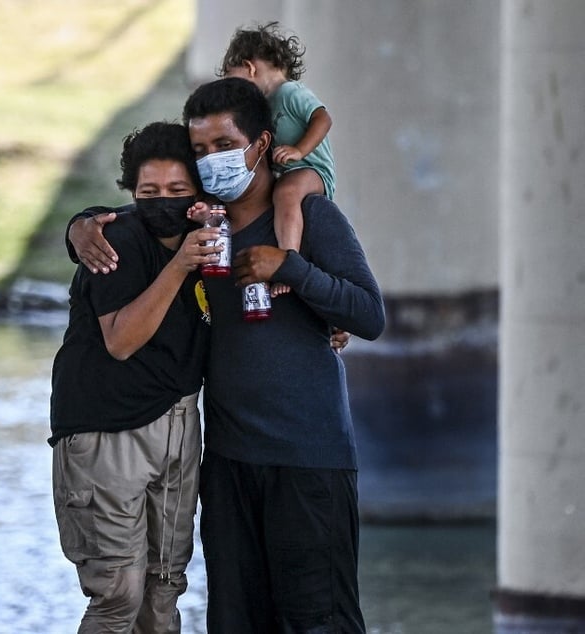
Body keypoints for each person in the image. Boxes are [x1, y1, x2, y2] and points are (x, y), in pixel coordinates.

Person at [182, 76, 384, 632]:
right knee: (234, 621)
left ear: (263, 144)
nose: (212, 160)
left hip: (309, 462)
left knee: (319, 622)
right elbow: (135, 207)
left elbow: (369, 315)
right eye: (200, 151)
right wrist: (80, 229)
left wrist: (290, 267)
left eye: (225, 146)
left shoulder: (311, 217)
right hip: (227, 467)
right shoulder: (197, 229)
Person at [49, 121, 221, 633]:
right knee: (117, 593)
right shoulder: (114, 240)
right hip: (107, 428)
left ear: (198, 192)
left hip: (177, 422)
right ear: (131, 192)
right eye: (149, 192)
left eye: (176, 190)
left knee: (164, 590)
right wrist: (177, 268)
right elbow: (121, 341)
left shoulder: (213, 236)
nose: (162, 202)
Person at [223, 22, 337, 296]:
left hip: (312, 170)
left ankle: (289, 264)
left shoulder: (289, 92)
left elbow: (323, 118)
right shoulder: (268, 105)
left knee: (286, 193)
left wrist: (299, 150)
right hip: (290, 173)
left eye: (234, 80)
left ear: (250, 67)